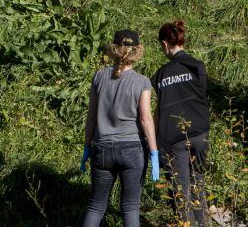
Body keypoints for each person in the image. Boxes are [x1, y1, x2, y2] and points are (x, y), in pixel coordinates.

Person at [81, 30, 159, 227]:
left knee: (96, 207)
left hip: (102, 148)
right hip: (132, 149)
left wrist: (87, 147)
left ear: (113, 49)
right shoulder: (142, 81)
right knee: (130, 207)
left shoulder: (99, 76)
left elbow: (91, 116)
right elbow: (145, 119)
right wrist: (154, 152)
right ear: (137, 51)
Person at [151, 20, 210, 226]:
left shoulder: (160, 75)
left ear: (165, 45)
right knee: (198, 187)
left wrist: (153, 144)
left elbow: (159, 110)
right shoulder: (197, 66)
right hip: (201, 134)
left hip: (175, 140)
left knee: (180, 193)